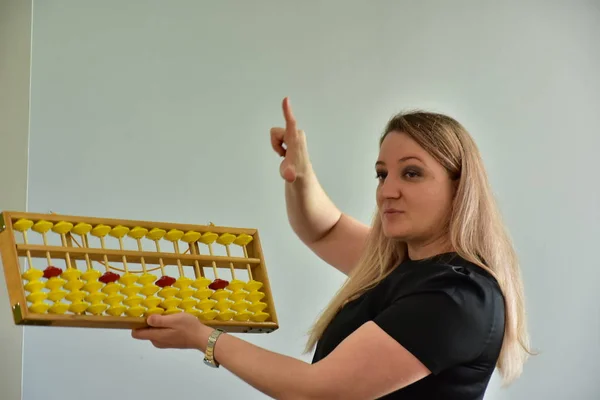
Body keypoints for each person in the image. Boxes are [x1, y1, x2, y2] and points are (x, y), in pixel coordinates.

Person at [132, 97, 533, 399]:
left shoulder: (457, 298)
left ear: (458, 186)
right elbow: (323, 230)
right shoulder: (401, 264)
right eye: (381, 174)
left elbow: (318, 391)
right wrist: (299, 172)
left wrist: (205, 339)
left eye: (411, 173)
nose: (387, 191)